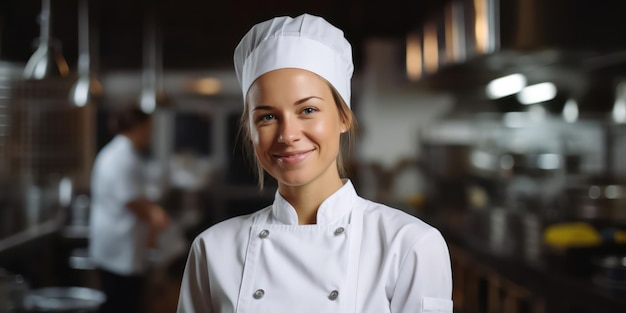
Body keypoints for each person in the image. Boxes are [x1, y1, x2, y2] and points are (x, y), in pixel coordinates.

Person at [177, 13, 452, 313]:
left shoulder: (410, 246)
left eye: (307, 109)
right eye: (267, 116)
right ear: (250, 130)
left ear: (343, 117)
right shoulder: (212, 250)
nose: (288, 135)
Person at [89, 107, 170, 313]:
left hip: (122, 245)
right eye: (149, 128)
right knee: (121, 303)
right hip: (119, 247)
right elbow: (131, 200)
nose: (150, 133)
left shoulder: (125, 153)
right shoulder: (120, 156)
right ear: (139, 127)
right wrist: (154, 214)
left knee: (124, 300)